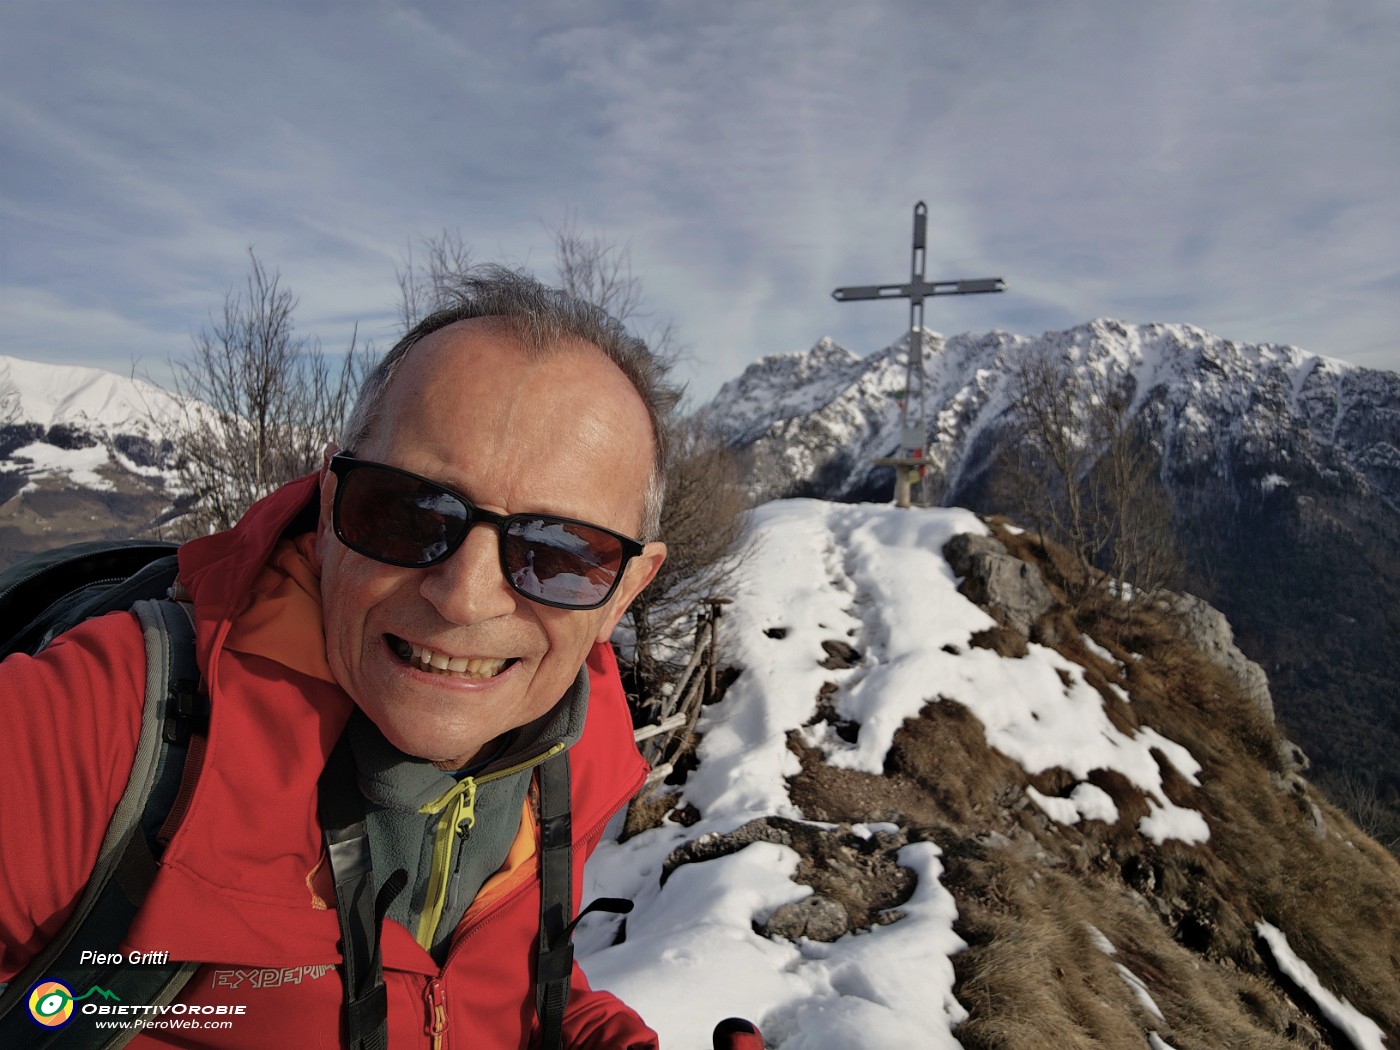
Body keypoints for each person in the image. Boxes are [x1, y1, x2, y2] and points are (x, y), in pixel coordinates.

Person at [0, 268, 677, 1048]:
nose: (465, 597)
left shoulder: (573, 750)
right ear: (328, 508)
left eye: (560, 553)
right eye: (408, 512)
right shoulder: (108, 728)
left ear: (626, 588)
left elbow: (500, 982)